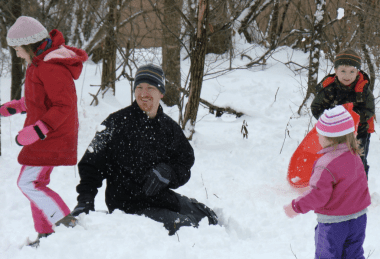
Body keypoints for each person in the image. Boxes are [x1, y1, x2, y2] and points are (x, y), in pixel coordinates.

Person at [71, 64, 218, 235]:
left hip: (162, 198)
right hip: (128, 207)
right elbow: (91, 165)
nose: (143, 93)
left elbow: (185, 163)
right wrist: (85, 201)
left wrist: (168, 173)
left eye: (150, 88)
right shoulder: (115, 123)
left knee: (209, 217)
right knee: (188, 229)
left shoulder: (169, 128)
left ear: (161, 93)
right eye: (139, 87)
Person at [0, 16, 88, 246]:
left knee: (28, 184)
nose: (17, 54)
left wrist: (39, 130)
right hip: (47, 135)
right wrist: (17, 106)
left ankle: (65, 223)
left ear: (29, 45)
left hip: (52, 136)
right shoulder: (39, 65)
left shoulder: (50, 67)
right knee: (35, 185)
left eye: (18, 49)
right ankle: (46, 235)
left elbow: (63, 105)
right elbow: (42, 100)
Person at [284, 106, 371, 259]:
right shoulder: (355, 157)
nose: (318, 138)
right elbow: (361, 186)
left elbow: (318, 195)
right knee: (354, 255)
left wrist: (296, 206)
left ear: (330, 138)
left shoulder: (325, 164)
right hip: (359, 220)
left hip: (334, 225)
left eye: (320, 135)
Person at [311, 49, 375, 178]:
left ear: (358, 72)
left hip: (359, 131)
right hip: (334, 133)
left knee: (358, 160)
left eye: (352, 71)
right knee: (333, 159)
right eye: (343, 71)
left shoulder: (363, 88)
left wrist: (355, 120)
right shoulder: (329, 88)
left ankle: (359, 187)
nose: (347, 75)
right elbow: (316, 107)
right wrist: (328, 120)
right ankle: (335, 183)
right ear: (336, 71)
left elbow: (369, 109)